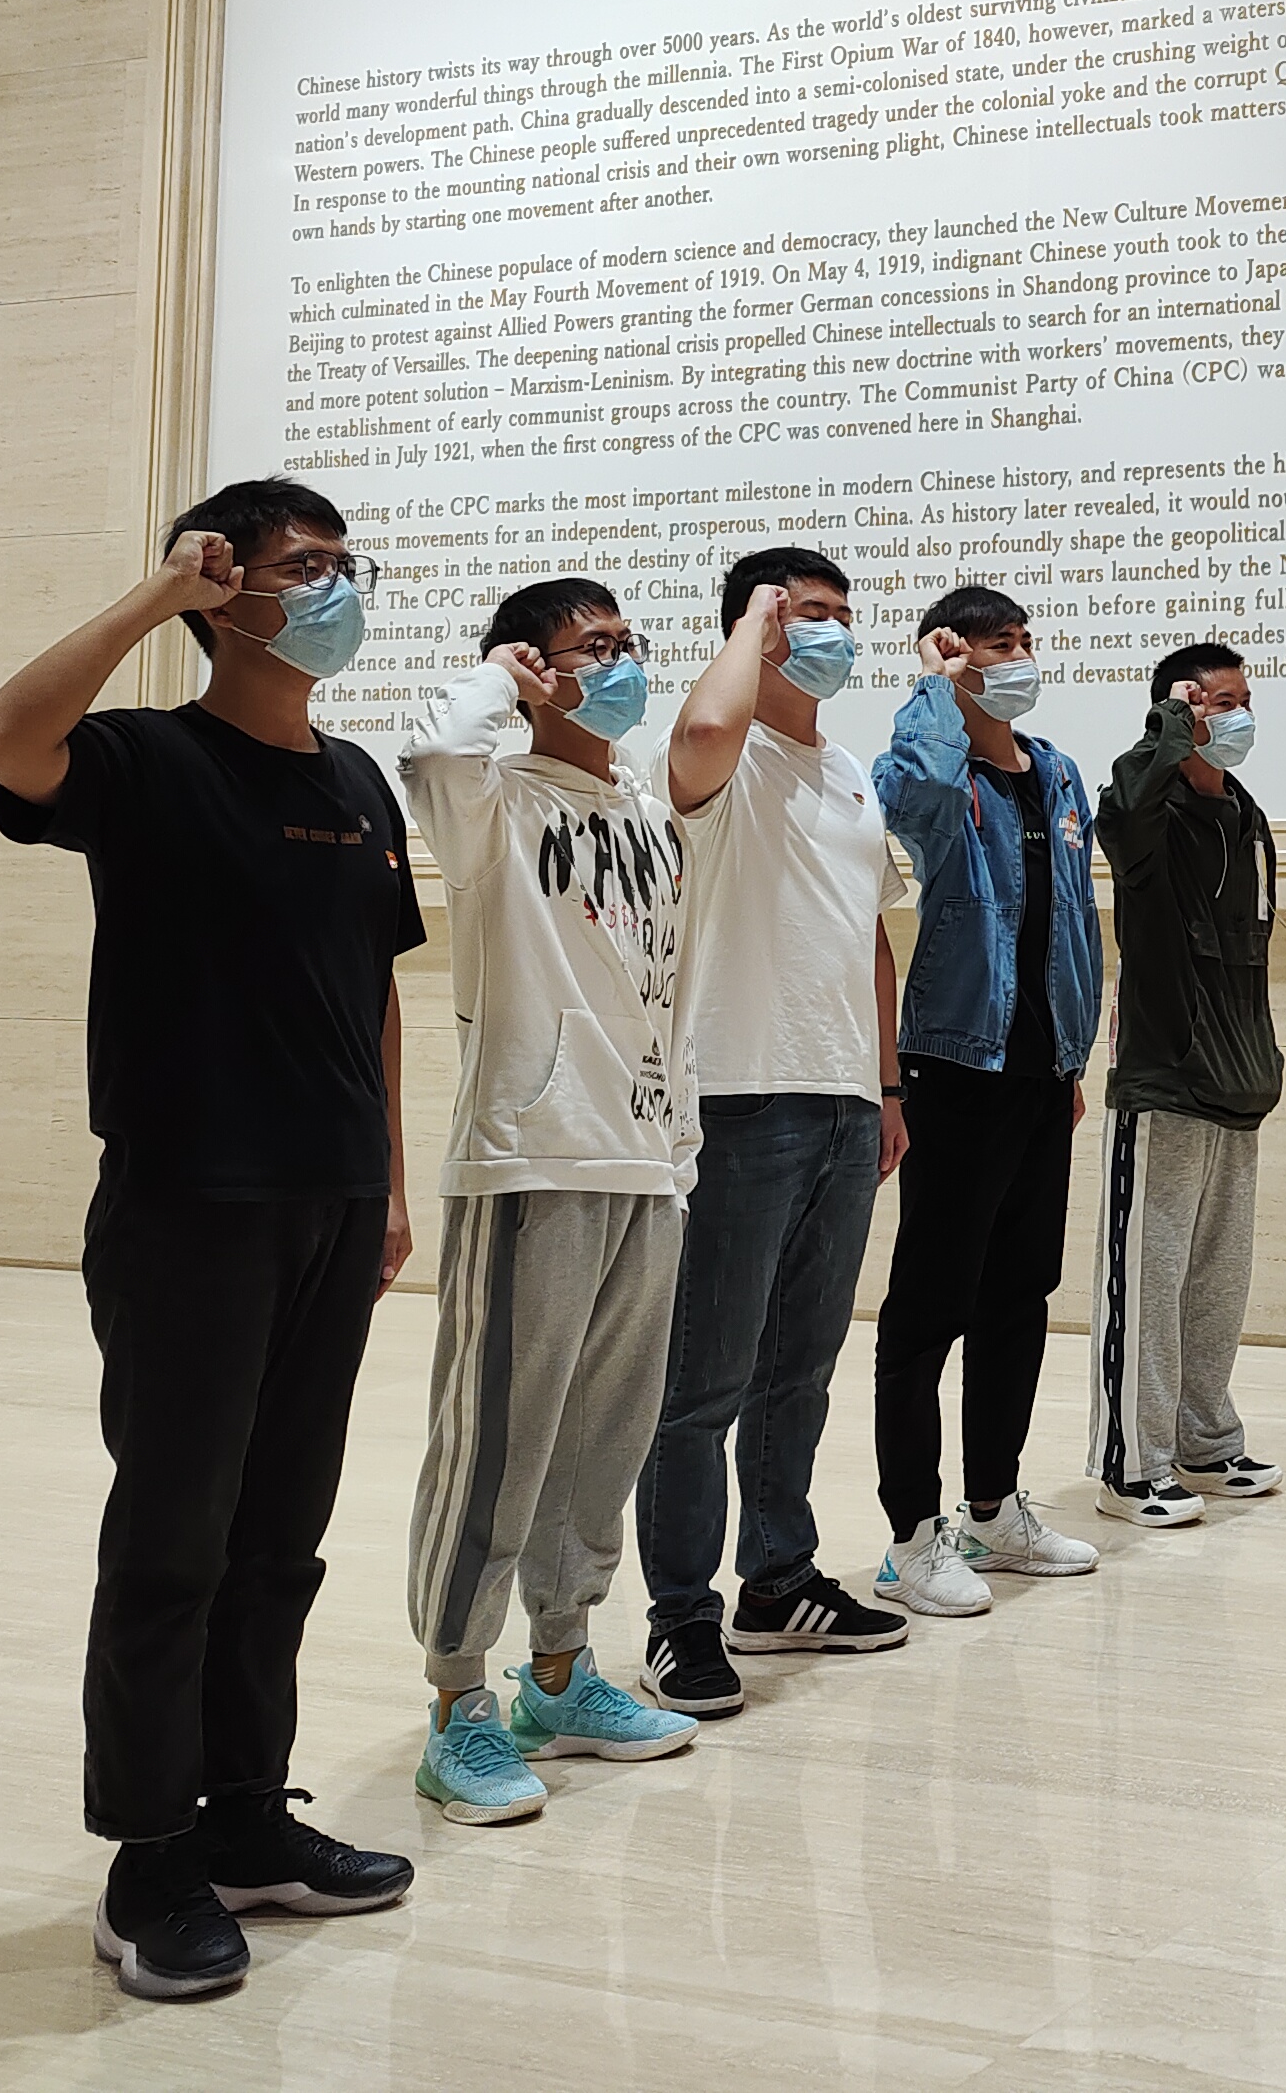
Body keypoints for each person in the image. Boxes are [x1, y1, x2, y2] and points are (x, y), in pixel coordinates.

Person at [0, 477, 423, 2005]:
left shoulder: (359, 781)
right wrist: (155, 598)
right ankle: (148, 1858)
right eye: (305, 565)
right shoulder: (150, 761)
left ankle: (243, 1816)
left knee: (280, 1537)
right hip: (189, 1206)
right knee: (174, 1541)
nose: (338, 588)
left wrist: (389, 1181)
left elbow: (376, 989)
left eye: (347, 562)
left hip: (331, 1204)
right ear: (227, 592)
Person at [398, 579, 705, 1825]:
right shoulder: (494, 800)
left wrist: (680, 1138)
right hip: (531, 1157)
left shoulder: (647, 811)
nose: (622, 664)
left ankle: (564, 1673)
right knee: (499, 1443)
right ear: (533, 667)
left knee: (603, 1439)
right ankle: (456, 1701)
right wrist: (501, 682)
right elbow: (433, 755)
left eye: (630, 642)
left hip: (645, 1158)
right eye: (593, 648)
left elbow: (667, 981)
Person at [632, 546, 912, 1714]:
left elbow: (872, 935)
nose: (833, 630)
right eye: (808, 614)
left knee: (800, 1369)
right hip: (739, 1101)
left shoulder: (846, 770)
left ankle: (780, 1581)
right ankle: (679, 1619)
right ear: (756, 628)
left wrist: (886, 1088)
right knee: (704, 1382)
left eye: (843, 613)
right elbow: (702, 730)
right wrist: (756, 616)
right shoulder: (723, 753)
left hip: (842, 1102)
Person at [866, 586, 1105, 1613]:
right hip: (957, 1065)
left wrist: (1071, 1058)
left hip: (1042, 1073)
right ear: (955, 654)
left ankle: (995, 1508)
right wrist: (933, 685)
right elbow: (910, 791)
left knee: (1020, 1295)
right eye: (996, 645)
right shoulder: (935, 771)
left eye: (1023, 641)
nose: (1018, 658)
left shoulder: (1055, 771)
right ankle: (912, 1537)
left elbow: (1071, 923)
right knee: (930, 1308)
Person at [1087, 641, 1286, 1526]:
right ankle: (1133, 1464)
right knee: (1148, 1280)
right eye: (1219, 703)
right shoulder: (1149, 811)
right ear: (1182, 710)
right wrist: (1166, 729)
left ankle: (1205, 1440)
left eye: (1245, 701)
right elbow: (1123, 811)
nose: (1238, 718)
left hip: (1237, 1083)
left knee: (1215, 1280)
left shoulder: (1243, 815)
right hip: (1164, 1082)